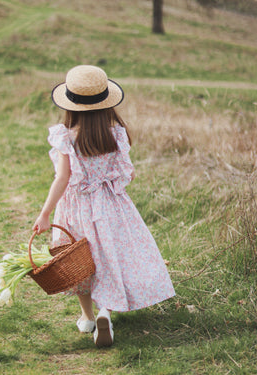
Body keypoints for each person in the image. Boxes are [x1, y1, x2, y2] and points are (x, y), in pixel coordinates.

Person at [33, 65, 175, 348]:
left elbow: (62, 178)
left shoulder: (66, 137)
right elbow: (128, 173)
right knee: (108, 258)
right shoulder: (116, 134)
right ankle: (105, 312)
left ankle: (86, 317)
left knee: (79, 262)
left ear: (71, 105)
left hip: (76, 207)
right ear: (105, 102)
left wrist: (45, 212)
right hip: (110, 206)